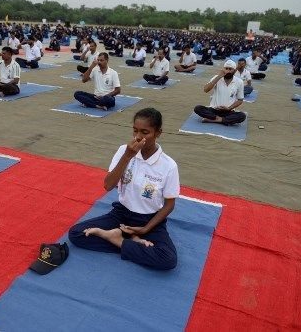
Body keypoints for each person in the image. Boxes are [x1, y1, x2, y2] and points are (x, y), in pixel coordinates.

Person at [69, 107, 179, 270]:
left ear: (158, 133)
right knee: (76, 234)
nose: (138, 137)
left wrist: (145, 229)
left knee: (168, 259)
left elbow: (169, 204)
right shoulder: (124, 151)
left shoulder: (168, 165)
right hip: (122, 214)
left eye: (145, 132)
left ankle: (119, 240)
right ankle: (131, 242)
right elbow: (108, 185)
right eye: (135, 131)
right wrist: (127, 156)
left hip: (149, 220)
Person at [194, 59, 246, 125]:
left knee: (242, 116)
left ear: (234, 71)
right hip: (214, 110)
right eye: (226, 68)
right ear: (223, 69)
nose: (228, 71)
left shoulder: (239, 82)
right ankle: (222, 119)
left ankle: (216, 120)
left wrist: (229, 108)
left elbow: (240, 100)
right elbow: (206, 90)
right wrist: (219, 77)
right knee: (198, 108)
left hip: (228, 111)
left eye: (230, 69)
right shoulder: (217, 77)